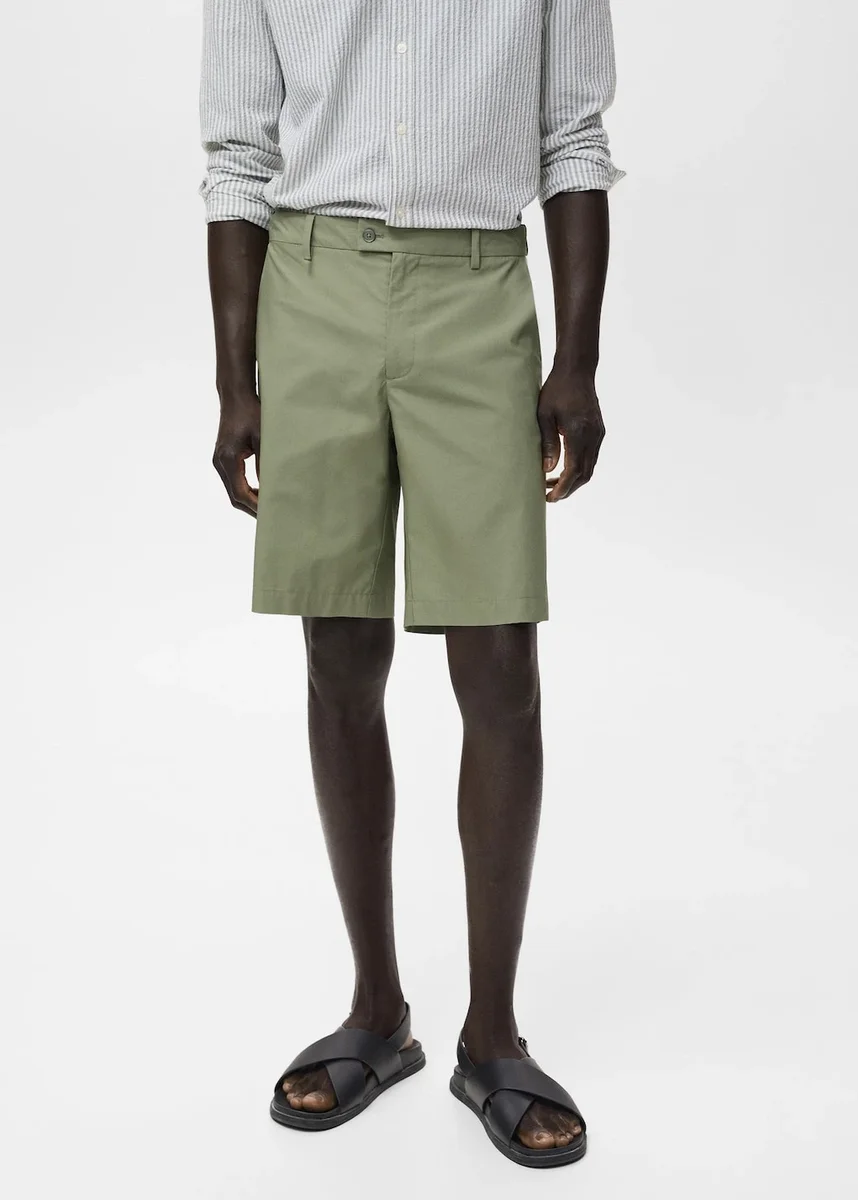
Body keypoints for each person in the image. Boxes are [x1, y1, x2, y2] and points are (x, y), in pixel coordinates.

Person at [199, 0, 623, 1169]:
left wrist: (578, 360)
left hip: (478, 287)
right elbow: (237, 159)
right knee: (339, 658)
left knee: (500, 668)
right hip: (310, 287)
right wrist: (235, 381)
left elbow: (573, 140)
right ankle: (378, 1012)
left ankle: (493, 1037)